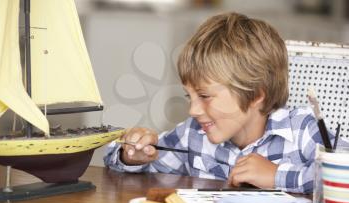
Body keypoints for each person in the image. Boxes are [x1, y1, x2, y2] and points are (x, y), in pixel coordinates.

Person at [104, 12, 347, 193]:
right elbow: (128, 163)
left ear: (255, 94)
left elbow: (344, 176)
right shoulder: (194, 134)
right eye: (190, 97)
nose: (193, 110)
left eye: (205, 96)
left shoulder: (301, 130)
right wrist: (131, 155)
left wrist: (276, 177)